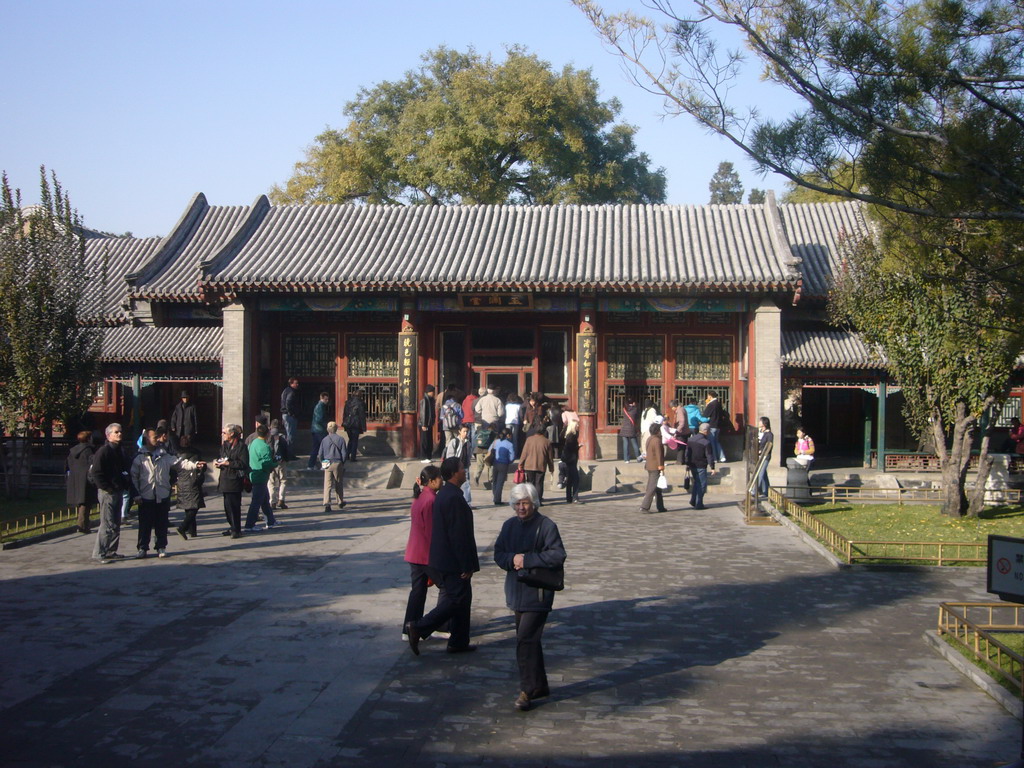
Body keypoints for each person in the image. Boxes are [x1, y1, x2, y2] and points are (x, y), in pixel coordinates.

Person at [493, 482, 567, 712]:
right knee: (530, 640)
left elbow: (557, 555)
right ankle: (540, 685)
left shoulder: (546, 526)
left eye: (525, 503)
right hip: (516, 592)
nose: (521, 508)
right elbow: (498, 554)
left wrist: (527, 559)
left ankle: (527, 690)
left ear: (533, 503)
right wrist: (511, 560)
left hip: (538, 593)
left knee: (525, 639)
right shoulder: (508, 526)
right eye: (517, 504)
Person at [405, 457, 480, 655]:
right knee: (456, 599)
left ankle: (458, 641)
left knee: (463, 599)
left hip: (445, 557)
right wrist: (466, 564)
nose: (465, 471)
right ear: (455, 473)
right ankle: (419, 627)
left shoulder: (447, 494)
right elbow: (457, 535)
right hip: (451, 560)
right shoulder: (452, 497)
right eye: (463, 468)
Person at [403, 465, 448, 638]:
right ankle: (439, 626)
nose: (442, 481)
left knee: (418, 591)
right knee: (446, 587)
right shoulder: (431, 500)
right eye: (439, 478)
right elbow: (431, 531)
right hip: (425, 554)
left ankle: (408, 628)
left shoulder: (420, 497)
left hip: (414, 552)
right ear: (431, 481)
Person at [131, 427, 180, 558]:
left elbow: (178, 463)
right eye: (154, 438)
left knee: (161, 523)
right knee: (145, 524)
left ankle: (161, 546)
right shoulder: (140, 457)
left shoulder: (164, 455)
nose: (158, 440)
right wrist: (136, 493)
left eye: (158, 437)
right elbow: (133, 477)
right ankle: (142, 548)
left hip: (162, 494)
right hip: (146, 495)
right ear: (147, 439)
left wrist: (195, 464)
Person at [89, 423, 130, 564]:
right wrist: (106, 487)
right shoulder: (104, 451)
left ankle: (112, 550)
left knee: (116, 523)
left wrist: (124, 484)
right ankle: (100, 552)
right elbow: (96, 473)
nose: (119, 434)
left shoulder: (119, 450)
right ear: (109, 435)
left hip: (118, 489)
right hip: (108, 492)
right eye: (116, 432)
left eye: (120, 431)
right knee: (107, 523)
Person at [214, 424, 249, 539]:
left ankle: (236, 529)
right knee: (227, 506)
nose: (222, 435)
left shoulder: (241, 446)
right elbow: (222, 457)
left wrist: (229, 463)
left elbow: (243, 463)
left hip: (234, 480)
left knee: (234, 506)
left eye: (224, 433)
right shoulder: (225, 445)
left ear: (232, 434)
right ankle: (232, 526)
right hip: (225, 478)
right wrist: (218, 463)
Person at [245, 424, 279, 532]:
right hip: (261, 475)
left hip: (253, 473)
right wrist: (275, 464)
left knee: (264, 499)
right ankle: (249, 524)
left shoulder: (253, 443)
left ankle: (271, 520)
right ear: (267, 434)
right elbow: (266, 463)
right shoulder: (264, 446)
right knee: (256, 501)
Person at [66, 430, 98, 534]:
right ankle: (83, 525)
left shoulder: (73, 450)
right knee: (85, 503)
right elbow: (92, 464)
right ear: (88, 439)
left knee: (81, 502)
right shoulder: (88, 450)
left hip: (75, 478)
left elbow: (68, 464)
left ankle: (83, 524)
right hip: (85, 479)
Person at [174, 443, 207, 540]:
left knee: (188, 507)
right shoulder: (195, 455)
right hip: (192, 482)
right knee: (194, 507)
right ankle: (183, 527)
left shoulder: (177, 456)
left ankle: (192, 530)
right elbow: (201, 468)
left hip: (182, 483)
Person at [685, 422, 717, 510]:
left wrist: (687, 463)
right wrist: (712, 467)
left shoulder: (691, 440)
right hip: (701, 465)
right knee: (702, 484)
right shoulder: (706, 442)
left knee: (696, 482)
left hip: (692, 464)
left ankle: (693, 500)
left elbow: (687, 453)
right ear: (706, 431)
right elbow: (709, 455)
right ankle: (699, 503)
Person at [318, 421, 347, 513]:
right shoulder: (341, 439)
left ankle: (327, 503)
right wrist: (342, 462)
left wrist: (323, 462)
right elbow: (344, 453)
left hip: (327, 462)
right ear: (336, 429)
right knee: (338, 483)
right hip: (337, 462)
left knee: (327, 484)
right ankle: (340, 501)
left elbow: (320, 454)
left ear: (327, 429)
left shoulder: (324, 440)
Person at [519, 428, 553, 506]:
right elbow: (550, 457)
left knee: (530, 483)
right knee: (539, 483)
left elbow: (524, 453)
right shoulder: (547, 441)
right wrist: (551, 468)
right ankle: (538, 501)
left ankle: (530, 500)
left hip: (529, 465)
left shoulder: (529, 440)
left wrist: (520, 463)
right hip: (541, 465)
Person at [639, 422, 667, 514]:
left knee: (658, 488)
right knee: (652, 487)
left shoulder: (650, 439)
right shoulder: (657, 440)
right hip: (655, 466)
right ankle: (645, 507)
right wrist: (661, 466)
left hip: (650, 465)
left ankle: (660, 506)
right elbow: (659, 454)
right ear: (657, 431)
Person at [443, 423, 473, 505]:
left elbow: (469, 454)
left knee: (466, 484)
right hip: (455, 467)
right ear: (459, 431)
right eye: (464, 431)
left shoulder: (468, 443)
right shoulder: (454, 442)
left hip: (465, 466)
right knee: (453, 485)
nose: (466, 433)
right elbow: (449, 455)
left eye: (467, 432)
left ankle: (467, 502)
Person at [488, 428, 516, 506]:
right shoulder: (509, 444)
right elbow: (512, 457)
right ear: (507, 435)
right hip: (504, 465)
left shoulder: (495, 442)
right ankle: (497, 499)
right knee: (500, 482)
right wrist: (509, 461)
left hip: (495, 463)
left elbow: (489, 451)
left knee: (495, 482)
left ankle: (495, 497)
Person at [267, 419, 290, 509]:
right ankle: (281, 500)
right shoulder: (282, 437)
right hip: (281, 462)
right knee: (283, 480)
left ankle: (272, 501)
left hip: (271, 462)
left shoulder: (268, 436)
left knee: (271, 482)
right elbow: (287, 450)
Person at [306, 391, 330, 469]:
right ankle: (325, 466)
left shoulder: (318, 406)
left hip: (315, 430)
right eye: (326, 399)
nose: (327, 401)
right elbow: (319, 419)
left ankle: (311, 465)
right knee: (325, 448)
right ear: (322, 398)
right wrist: (326, 426)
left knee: (315, 448)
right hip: (320, 431)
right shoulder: (321, 406)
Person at [342, 389, 367, 461]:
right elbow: (362, 415)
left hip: (348, 423)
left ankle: (347, 455)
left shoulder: (348, 402)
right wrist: (363, 427)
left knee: (351, 439)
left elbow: (345, 413)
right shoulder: (360, 403)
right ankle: (353, 457)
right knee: (355, 440)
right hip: (356, 424)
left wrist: (344, 422)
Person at [703, 392, 728, 463]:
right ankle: (722, 457)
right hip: (718, 425)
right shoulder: (718, 403)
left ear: (710, 396)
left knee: (711, 442)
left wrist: (706, 406)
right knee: (716, 442)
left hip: (712, 425)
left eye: (708, 395)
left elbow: (705, 414)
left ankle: (714, 458)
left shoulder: (711, 404)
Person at [562, 420, 581, 504]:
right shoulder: (571, 436)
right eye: (577, 425)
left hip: (570, 460)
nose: (578, 426)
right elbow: (570, 449)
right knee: (576, 479)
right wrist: (578, 447)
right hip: (571, 460)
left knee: (570, 480)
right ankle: (575, 497)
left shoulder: (569, 435)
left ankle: (569, 498)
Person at [619, 396, 641, 463]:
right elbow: (637, 417)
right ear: (634, 402)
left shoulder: (624, 409)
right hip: (631, 429)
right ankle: (638, 458)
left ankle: (626, 459)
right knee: (635, 444)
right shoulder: (635, 409)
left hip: (624, 429)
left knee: (626, 444)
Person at [280, 377, 300, 447]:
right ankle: (289, 453)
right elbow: (288, 402)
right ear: (291, 384)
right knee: (290, 435)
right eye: (296, 383)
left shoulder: (286, 390)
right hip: (289, 416)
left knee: (289, 434)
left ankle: (289, 452)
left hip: (286, 414)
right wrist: (291, 413)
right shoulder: (291, 392)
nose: (297, 384)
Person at [756, 417, 774, 497]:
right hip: (760, 456)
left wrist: (761, 451)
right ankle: (766, 491)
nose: (759, 422)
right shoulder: (761, 432)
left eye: (760, 421)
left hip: (765, 456)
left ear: (764, 423)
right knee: (764, 475)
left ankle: (754, 490)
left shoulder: (769, 434)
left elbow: (769, 445)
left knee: (760, 472)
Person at [418, 385, 436, 462]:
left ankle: (428, 456)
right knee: (424, 441)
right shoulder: (424, 400)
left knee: (429, 440)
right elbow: (423, 414)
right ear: (429, 392)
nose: (433, 393)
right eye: (432, 392)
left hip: (429, 423)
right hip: (424, 424)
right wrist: (423, 424)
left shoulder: (431, 400)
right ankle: (423, 457)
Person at [505, 394, 523, 460]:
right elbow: (520, 415)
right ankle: (514, 455)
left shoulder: (507, 406)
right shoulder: (518, 406)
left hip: (508, 421)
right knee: (515, 439)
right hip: (516, 422)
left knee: (508, 438)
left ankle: (508, 454)